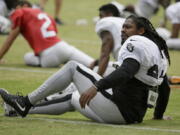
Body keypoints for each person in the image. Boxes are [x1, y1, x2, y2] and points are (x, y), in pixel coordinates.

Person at [0, 15, 170, 124]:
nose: (123, 30)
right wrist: (158, 114)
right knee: (73, 98)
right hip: (132, 115)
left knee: (73, 67)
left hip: (118, 109)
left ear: (141, 31)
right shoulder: (159, 52)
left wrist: (96, 86)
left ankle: (25, 102)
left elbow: (126, 71)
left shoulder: (137, 42)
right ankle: (17, 109)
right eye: (123, 26)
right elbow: (165, 87)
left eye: (128, 27)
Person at [0, 1, 94, 67]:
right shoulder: (43, 13)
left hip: (47, 57)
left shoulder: (20, 12)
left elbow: (9, 40)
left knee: (27, 57)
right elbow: (54, 32)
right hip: (62, 47)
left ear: (21, 6)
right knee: (92, 63)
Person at [90, 3, 125, 76]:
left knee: (95, 69)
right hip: (150, 70)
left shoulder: (106, 22)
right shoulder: (126, 21)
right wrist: (98, 61)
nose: (99, 19)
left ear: (109, 15)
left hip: (132, 70)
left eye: (101, 16)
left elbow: (105, 54)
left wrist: (97, 82)